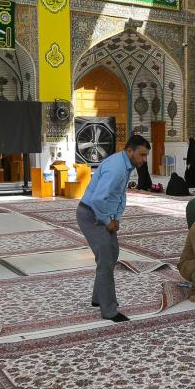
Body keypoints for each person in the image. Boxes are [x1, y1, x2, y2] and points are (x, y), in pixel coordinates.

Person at [77, 134, 152, 322]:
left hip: (105, 216)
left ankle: (97, 298)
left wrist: (116, 218)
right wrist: (107, 221)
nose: (144, 160)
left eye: (145, 156)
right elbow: (96, 200)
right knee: (106, 260)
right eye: (142, 155)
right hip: (92, 215)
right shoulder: (116, 168)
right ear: (129, 150)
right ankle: (109, 310)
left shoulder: (125, 165)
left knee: (112, 253)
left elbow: (120, 194)